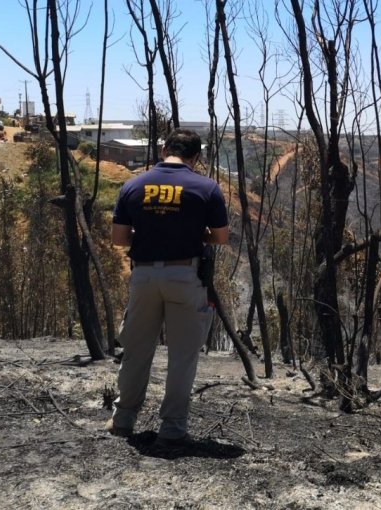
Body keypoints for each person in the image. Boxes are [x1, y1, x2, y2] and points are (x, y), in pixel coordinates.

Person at [106, 129, 229, 448]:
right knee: (182, 356)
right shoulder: (207, 187)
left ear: (164, 151)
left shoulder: (133, 185)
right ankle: (172, 428)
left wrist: (149, 240)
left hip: (144, 276)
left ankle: (123, 420)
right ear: (196, 156)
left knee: (136, 351)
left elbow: (119, 239)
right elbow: (220, 236)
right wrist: (192, 237)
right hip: (186, 276)